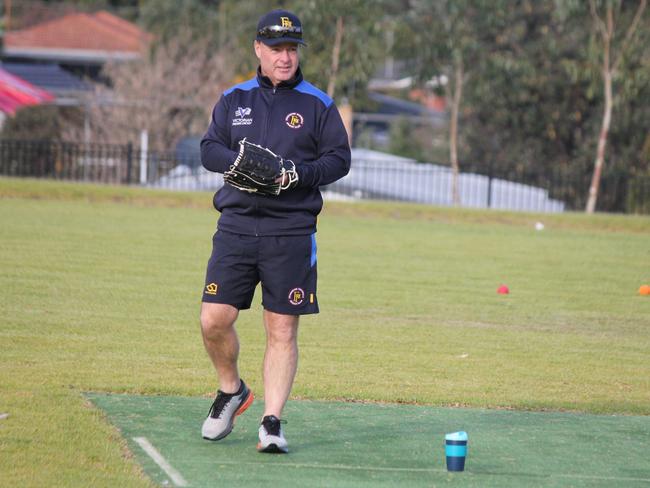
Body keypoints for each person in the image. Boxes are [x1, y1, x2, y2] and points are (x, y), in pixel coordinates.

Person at [199, 9, 351, 454]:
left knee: (281, 329)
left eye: (291, 49)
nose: (285, 57)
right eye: (276, 48)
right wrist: (238, 165)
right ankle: (232, 390)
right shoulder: (234, 99)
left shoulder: (318, 104)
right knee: (214, 320)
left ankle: (271, 422)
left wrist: (294, 175)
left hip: (292, 230)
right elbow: (209, 148)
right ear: (258, 50)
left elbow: (338, 160)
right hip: (237, 226)